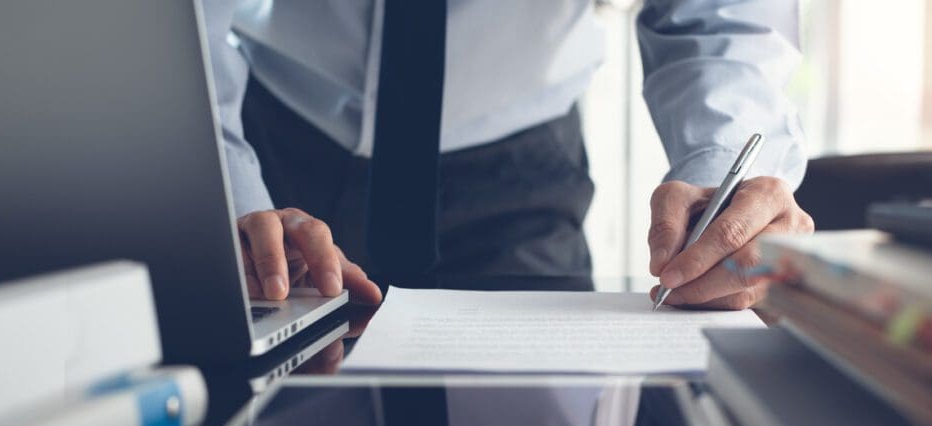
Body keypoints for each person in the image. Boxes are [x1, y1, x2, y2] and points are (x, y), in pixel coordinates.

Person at [204, 0, 814, 310]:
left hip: (521, 177)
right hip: (271, 159)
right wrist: (220, 185)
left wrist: (724, 182)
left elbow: (716, 17)